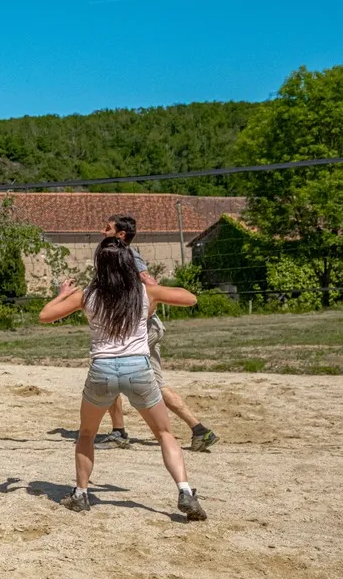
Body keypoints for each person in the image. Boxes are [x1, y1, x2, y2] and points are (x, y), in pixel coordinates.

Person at [39, 237, 207, 520]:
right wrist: (152, 284)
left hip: (102, 370)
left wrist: (61, 293)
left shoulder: (87, 295)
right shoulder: (143, 292)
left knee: (86, 435)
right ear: (129, 263)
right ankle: (185, 491)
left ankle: (81, 494)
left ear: (98, 264)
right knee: (165, 433)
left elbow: (44, 316)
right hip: (138, 369)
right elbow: (191, 298)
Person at [96, 215, 220, 452]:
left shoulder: (128, 256)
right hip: (145, 328)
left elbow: (150, 284)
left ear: (121, 235)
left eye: (107, 228)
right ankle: (199, 430)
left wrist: (142, 316)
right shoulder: (115, 257)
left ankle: (119, 433)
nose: (102, 231)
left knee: (110, 372)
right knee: (153, 383)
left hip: (144, 329)